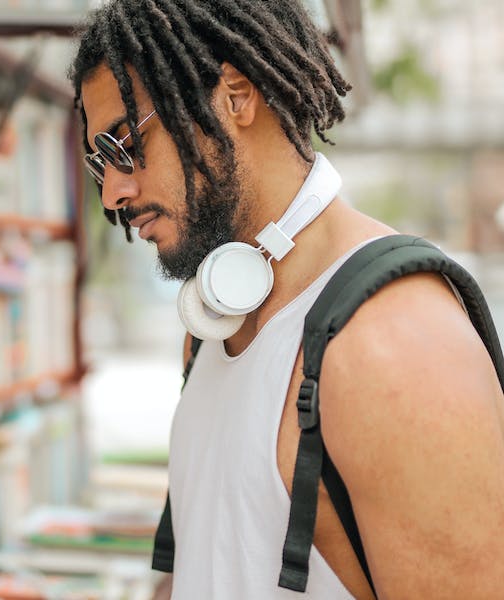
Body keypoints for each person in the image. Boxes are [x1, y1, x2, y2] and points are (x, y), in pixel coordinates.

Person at [69, 1, 504, 599]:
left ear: (236, 96)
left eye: (123, 146)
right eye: (100, 164)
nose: (113, 194)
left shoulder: (395, 342)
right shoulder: (212, 324)